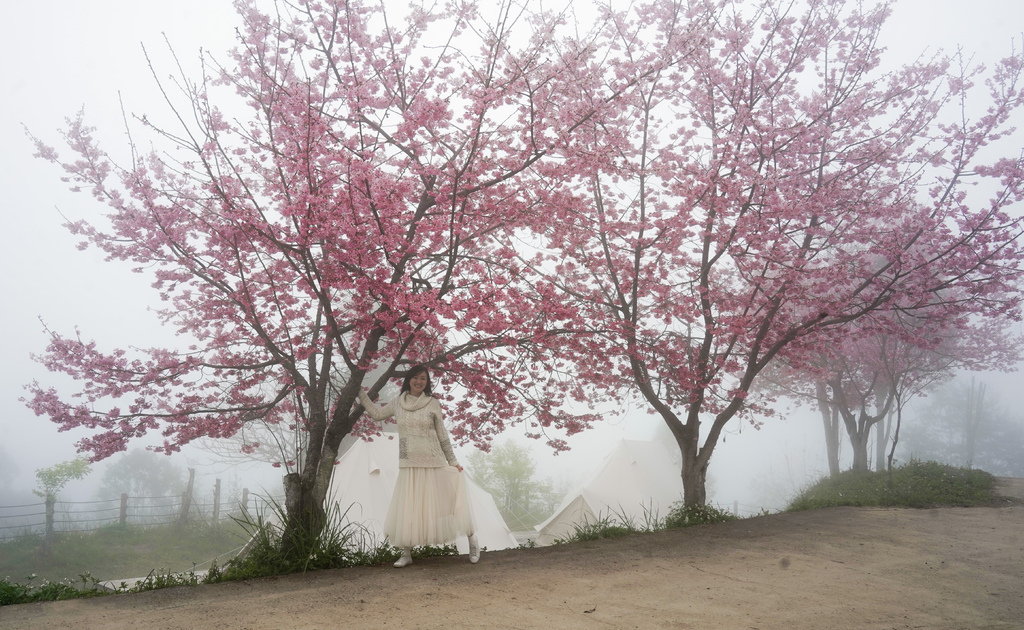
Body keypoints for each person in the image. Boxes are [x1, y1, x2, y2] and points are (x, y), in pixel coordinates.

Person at [358, 365, 480, 568]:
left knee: (450, 502)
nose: (419, 381)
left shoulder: (432, 403)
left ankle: (472, 540)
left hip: (434, 460)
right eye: (415, 378)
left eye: (423, 378)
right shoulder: (397, 403)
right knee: (409, 509)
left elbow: (442, 434)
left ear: (427, 382)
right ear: (408, 380)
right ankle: (406, 553)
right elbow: (377, 414)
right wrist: (360, 392)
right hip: (409, 462)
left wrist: (453, 461)